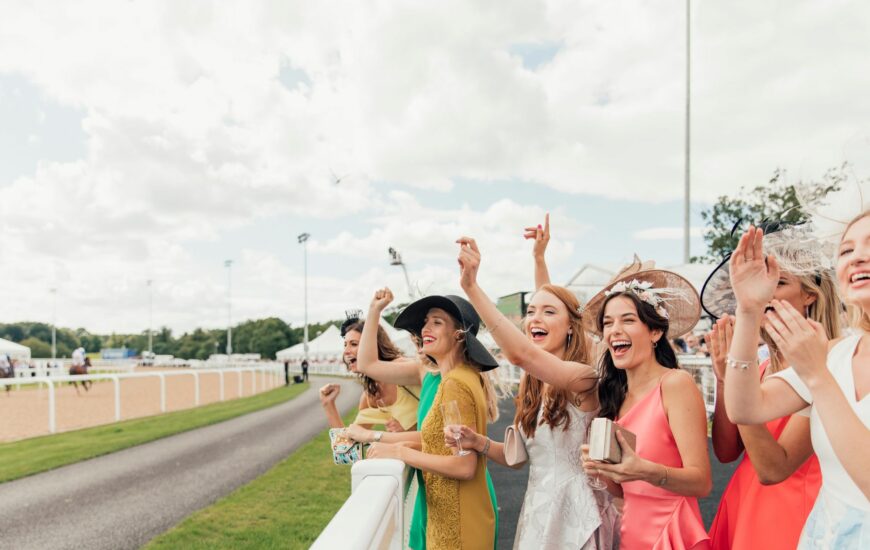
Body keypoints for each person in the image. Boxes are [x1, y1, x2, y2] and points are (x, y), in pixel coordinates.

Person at [452, 230, 619, 549]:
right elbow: (519, 458)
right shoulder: (533, 384)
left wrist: (471, 287)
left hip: (577, 518)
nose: (534, 319)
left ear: (572, 326)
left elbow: (522, 354)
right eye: (530, 312)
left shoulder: (583, 379)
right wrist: (478, 442)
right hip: (538, 513)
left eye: (548, 312)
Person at [724, 218, 870, 546]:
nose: (857, 257)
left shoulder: (821, 363)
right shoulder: (834, 352)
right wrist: (748, 311)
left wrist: (818, 378)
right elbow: (745, 408)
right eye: (847, 249)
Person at [702, 222, 840, 549]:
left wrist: (740, 370)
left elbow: (773, 466)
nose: (763, 293)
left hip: (792, 517)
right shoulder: (759, 365)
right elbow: (726, 451)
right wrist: (727, 379)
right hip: (743, 506)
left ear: (810, 293)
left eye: (778, 283)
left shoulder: (825, 365)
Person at [347, 288, 500, 550]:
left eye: (437, 321)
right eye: (425, 322)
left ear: (459, 335)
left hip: (459, 519)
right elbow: (438, 441)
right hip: (453, 509)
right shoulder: (459, 377)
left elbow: (464, 466)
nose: (425, 328)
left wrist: (398, 450)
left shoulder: (455, 383)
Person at [579, 258, 712, 550]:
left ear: (655, 332)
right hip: (632, 536)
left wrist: (642, 470)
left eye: (628, 320)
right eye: (607, 323)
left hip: (673, 535)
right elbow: (624, 490)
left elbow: (701, 482)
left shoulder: (675, 384)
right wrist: (601, 469)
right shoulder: (615, 396)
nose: (614, 330)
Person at [319, 317, 419, 432]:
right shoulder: (371, 394)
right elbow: (349, 445)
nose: (346, 351)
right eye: (345, 345)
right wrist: (328, 404)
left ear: (374, 345)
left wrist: (414, 427)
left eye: (354, 344)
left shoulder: (405, 367)